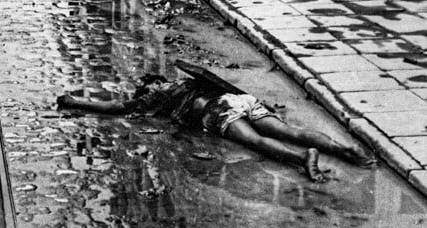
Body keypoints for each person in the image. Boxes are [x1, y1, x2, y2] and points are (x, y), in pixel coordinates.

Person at [57, 72, 375, 183]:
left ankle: (303, 159)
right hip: (239, 99)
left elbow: (117, 107)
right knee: (287, 130)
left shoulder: (158, 96)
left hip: (219, 110)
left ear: (149, 89)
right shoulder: (186, 82)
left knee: (256, 143)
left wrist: (75, 102)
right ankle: (346, 150)